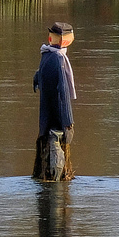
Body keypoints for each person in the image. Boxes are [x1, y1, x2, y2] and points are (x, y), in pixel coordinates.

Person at [32, 22, 76, 180]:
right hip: (56, 118)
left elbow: (39, 74)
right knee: (56, 145)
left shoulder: (46, 54)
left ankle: (47, 181)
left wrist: (37, 79)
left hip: (45, 116)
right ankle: (55, 184)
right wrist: (68, 123)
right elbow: (63, 93)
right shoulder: (59, 59)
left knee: (47, 144)